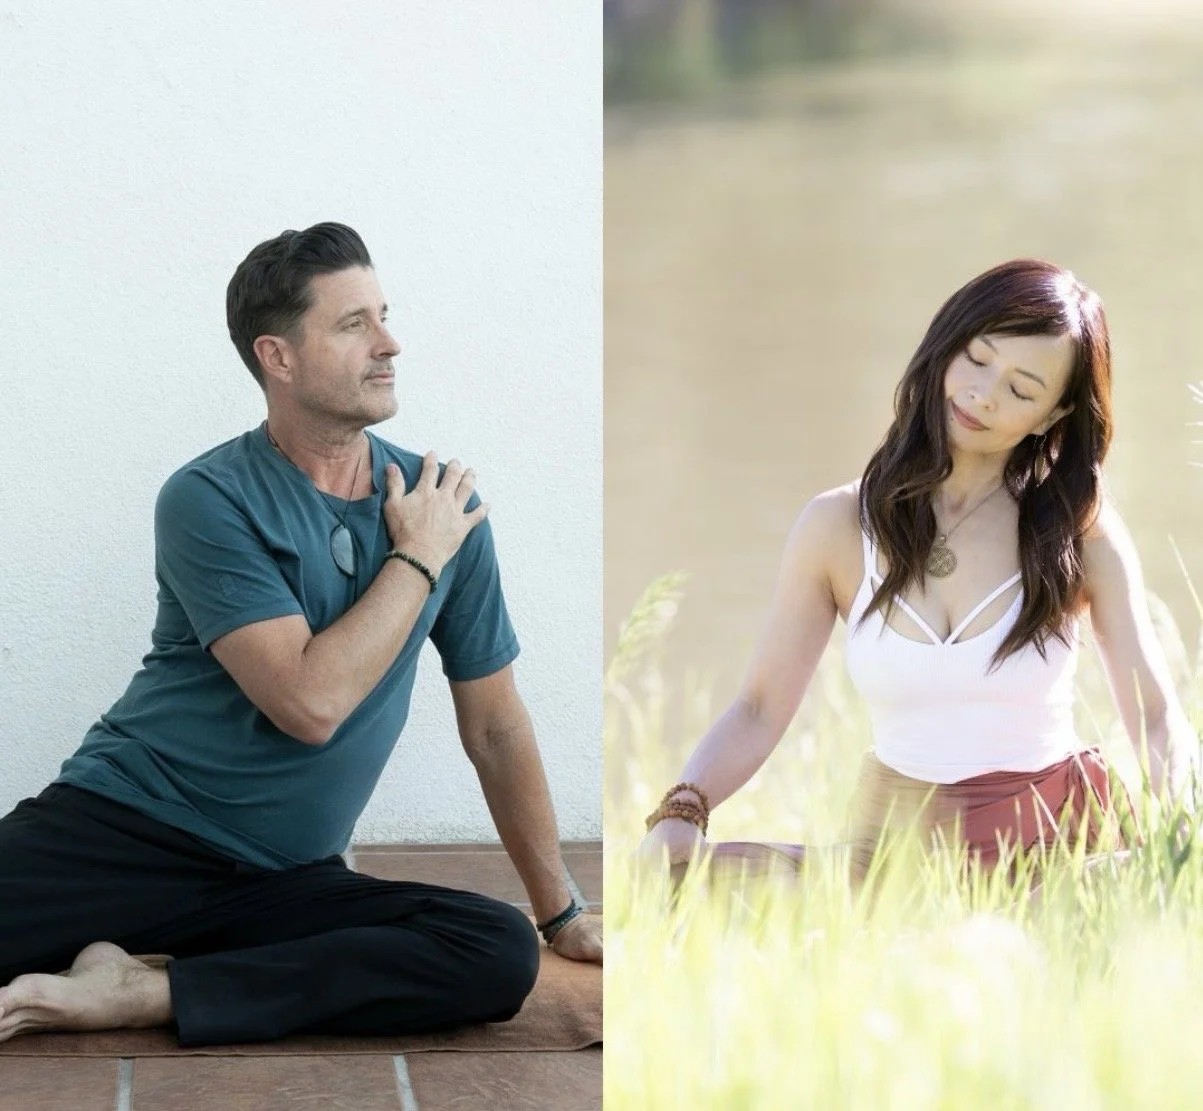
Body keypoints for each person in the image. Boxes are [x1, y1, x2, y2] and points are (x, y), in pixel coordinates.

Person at [0, 221, 601, 1048]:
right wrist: (418, 555)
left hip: (283, 880)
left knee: (491, 952)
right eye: (354, 324)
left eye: (383, 315)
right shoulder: (209, 497)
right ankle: (177, 970)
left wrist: (561, 912)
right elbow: (309, 703)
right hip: (124, 830)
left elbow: (494, 724)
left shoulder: (443, 508)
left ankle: (147, 989)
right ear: (277, 356)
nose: (389, 343)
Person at [639, 258, 1197, 886]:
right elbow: (760, 707)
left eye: (1021, 389)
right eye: (978, 358)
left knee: (1117, 889)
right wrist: (683, 809)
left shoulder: (1078, 533)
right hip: (887, 857)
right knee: (672, 879)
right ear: (947, 345)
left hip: (1055, 859)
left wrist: (1181, 833)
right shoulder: (838, 526)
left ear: (1050, 417)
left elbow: (1153, 714)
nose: (983, 394)